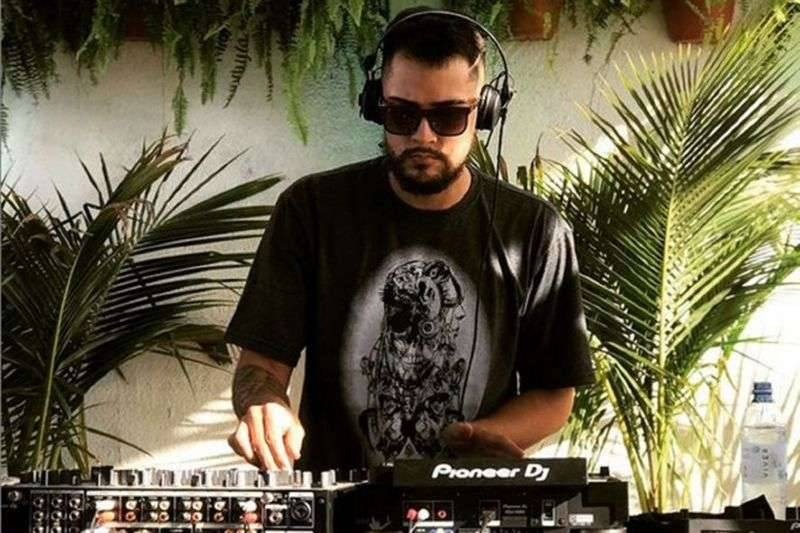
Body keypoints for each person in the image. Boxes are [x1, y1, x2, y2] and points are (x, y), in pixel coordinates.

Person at [224, 7, 594, 472]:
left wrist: (483, 438)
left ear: (484, 112)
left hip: (469, 503)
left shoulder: (535, 229)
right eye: (402, 114)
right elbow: (260, 366)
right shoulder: (311, 211)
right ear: (375, 105)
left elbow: (554, 393)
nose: (423, 136)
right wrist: (264, 405)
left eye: (448, 116)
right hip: (339, 504)